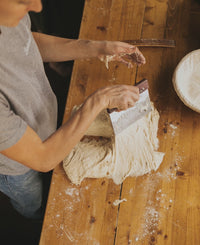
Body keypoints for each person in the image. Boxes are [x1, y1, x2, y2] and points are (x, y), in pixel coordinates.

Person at [0, 0, 146, 220]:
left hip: (42, 124)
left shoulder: (7, 16)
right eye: (22, 1)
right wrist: (100, 99)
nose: (37, 7)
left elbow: (25, 44)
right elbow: (42, 158)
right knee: (32, 200)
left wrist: (93, 47)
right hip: (16, 168)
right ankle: (32, 222)